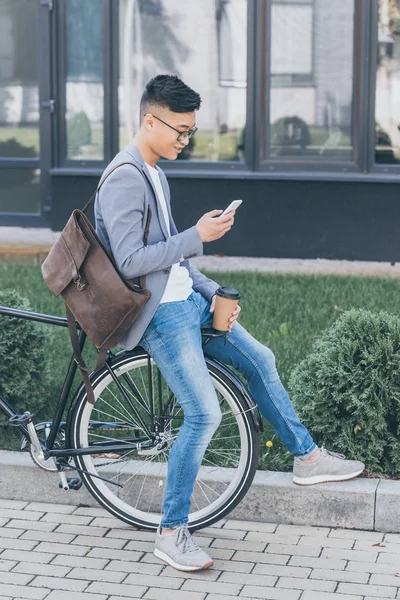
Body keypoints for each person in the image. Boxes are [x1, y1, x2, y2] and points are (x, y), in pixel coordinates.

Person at [95, 74, 365, 573]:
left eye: (190, 131)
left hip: (186, 301)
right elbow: (132, 261)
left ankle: (306, 458)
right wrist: (197, 235)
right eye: (178, 130)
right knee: (205, 415)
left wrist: (209, 288)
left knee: (261, 358)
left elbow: (171, 257)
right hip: (158, 317)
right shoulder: (127, 178)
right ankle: (172, 532)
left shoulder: (156, 170)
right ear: (149, 121)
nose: (185, 140)